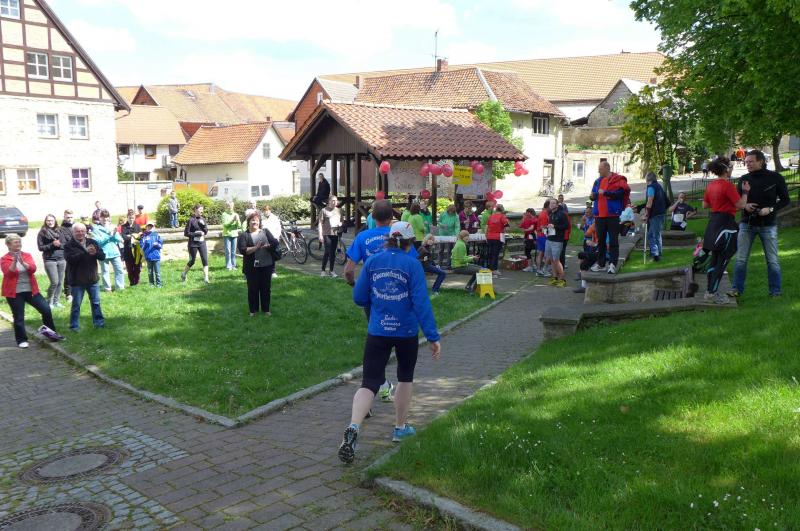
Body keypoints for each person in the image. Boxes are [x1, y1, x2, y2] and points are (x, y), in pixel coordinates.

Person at [339, 221, 441, 463]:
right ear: (409, 242)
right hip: (406, 332)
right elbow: (421, 303)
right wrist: (432, 336)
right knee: (405, 378)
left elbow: (359, 297)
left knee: (369, 381)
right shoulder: (413, 265)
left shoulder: (373, 262)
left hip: (378, 330)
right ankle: (400, 428)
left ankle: (354, 426)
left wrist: (377, 303)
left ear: (389, 239)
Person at [343, 199, 414, 403]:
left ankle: (374, 387)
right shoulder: (399, 236)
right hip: (399, 299)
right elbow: (413, 264)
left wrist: (355, 285)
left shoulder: (362, 237)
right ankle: (387, 386)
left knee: (376, 345)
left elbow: (348, 270)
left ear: (372, 217)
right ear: (392, 217)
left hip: (373, 297)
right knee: (401, 348)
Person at [730, 149, 790, 298]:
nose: (748, 164)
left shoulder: (775, 178)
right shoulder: (744, 179)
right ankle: (736, 289)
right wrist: (745, 206)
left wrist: (770, 209)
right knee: (741, 259)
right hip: (747, 224)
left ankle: (775, 292)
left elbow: (785, 200)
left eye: (751, 161)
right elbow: (738, 202)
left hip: (768, 225)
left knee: (772, 260)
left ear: (761, 161)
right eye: (746, 162)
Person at [702, 157, 750, 304]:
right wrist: (745, 192)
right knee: (722, 262)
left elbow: (705, 205)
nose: (732, 169)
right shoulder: (727, 186)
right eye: (731, 166)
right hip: (726, 226)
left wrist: (722, 203)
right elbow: (741, 205)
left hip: (713, 224)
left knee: (714, 259)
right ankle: (712, 294)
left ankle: (709, 291)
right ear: (726, 169)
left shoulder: (711, 185)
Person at [2, 234, 63, 348]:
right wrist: (14, 261)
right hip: (14, 293)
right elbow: (9, 273)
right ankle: (21, 340)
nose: (18, 244)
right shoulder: (5, 259)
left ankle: (50, 334)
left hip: (31, 290)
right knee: (19, 317)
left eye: (19, 242)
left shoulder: (26, 255)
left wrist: (23, 262)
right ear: (8, 245)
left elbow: (33, 269)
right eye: (15, 242)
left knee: (46, 309)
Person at [589, 161, 630, 274]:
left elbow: (620, 194)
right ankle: (601, 264)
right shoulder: (597, 181)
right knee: (601, 241)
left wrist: (606, 193)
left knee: (613, 241)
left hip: (612, 215)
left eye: (600, 169)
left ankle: (612, 264)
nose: (599, 171)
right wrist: (592, 196)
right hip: (599, 216)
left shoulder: (617, 179)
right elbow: (594, 195)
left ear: (607, 168)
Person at [64, 223, 106, 330]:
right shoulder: (69, 245)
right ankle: (74, 326)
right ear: (73, 232)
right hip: (77, 281)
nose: (80, 233)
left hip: (92, 279)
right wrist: (85, 252)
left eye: (82, 231)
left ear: (86, 232)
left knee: (96, 303)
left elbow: (102, 256)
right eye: (77, 231)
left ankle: (99, 323)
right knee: (76, 305)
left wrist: (95, 253)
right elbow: (70, 260)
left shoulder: (92, 242)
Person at [238, 212, 280, 316]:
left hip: (267, 265)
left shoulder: (265, 232)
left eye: (257, 220)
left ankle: (266, 310)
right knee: (253, 289)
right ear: (248, 222)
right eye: (252, 220)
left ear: (259, 222)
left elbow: (275, 243)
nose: (254, 222)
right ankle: (253, 310)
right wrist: (256, 247)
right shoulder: (244, 235)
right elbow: (243, 250)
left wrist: (268, 246)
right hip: (251, 267)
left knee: (266, 288)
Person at [37, 214, 67, 308]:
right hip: (49, 260)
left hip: (61, 259)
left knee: (60, 282)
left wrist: (59, 245)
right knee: (54, 282)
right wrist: (52, 245)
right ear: (45, 221)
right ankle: (49, 301)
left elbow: (65, 244)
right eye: (48, 220)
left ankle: (56, 301)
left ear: (55, 221)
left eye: (52, 220)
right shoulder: (42, 232)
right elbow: (40, 247)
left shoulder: (60, 230)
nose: (50, 222)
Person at [92, 210, 125, 292]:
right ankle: (107, 288)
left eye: (107, 218)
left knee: (119, 270)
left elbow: (118, 239)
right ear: (100, 218)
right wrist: (108, 236)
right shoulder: (96, 229)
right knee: (105, 271)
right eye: (103, 218)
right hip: (103, 253)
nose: (105, 220)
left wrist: (115, 235)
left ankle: (120, 287)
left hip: (114, 252)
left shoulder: (113, 226)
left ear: (109, 218)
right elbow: (97, 241)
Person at [641, 172, 668, 262]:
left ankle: (656, 254)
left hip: (655, 214)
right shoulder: (658, 186)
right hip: (660, 213)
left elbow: (650, 201)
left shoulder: (651, 187)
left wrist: (646, 214)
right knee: (655, 234)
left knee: (653, 235)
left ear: (648, 179)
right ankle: (656, 253)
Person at [182, 204, 209, 283]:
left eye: (202, 209)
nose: (202, 211)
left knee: (205, 259)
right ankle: (184, 274)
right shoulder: (191, 220)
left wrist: (203, 226)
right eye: (200, 209)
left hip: (202, 243)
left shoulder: (203, 219)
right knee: (192, 261)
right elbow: (186, 233)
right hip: (193, 244)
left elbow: (206, 232)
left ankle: (206, 278)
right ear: (196, 210)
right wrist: (196, 234)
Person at [545, 199, 569, 287]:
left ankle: (562, 280)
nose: (551, 205)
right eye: (550, 203)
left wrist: (555, 226)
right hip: (549, 239)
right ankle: (554, 278)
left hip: (557, 241)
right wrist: (547, 229)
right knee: (551, 259)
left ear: (557, 205)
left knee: (556, 260)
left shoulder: (562, 214)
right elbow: (551, 227)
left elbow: (566, 226)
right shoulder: (550, 214)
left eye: (553, 203)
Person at [319, 195, 342, 277]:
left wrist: (340, 224)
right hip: (326, 234)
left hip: (335, 234)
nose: (334, 202)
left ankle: (331, 271)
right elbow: (320, 223)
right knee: (327, 252)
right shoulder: (324, 210)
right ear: (329, 201)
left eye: (336, 200)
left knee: (333, 253)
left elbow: (341, 221)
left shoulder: (339, 210)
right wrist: (320, 235)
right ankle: (323, 270)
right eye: (333, 200)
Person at [120, 210, 142, 286]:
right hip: (128, 250)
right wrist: (134, 235)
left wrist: (131, 235)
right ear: (127, 217)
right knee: (129, 268)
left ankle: (137, 281)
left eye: (133, 218)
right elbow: (124, 237)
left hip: (136, 250)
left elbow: (140, 237)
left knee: (137, 267)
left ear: (134, 217)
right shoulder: (123, 226)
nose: (131, 219)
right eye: (130, 218)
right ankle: (132, 282)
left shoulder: (137, 226)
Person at [485, 204, 509, 276]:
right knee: (495, 254)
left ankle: (489, 268)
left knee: (490, 253)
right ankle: (494, 269)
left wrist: (486, 235)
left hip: (489, 237)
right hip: (498, 237)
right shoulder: (502, 217)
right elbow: (507, 227)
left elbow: (486, 227)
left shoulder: (491, 216)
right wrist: (504, 231)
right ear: (502, 210)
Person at [140, 222, 163, 288]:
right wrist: (145, 245)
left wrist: (157, 245)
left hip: (156, 256)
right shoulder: (144, 236)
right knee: (150, 272)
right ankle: (151, 284)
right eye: (148, 226)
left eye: (151, 226)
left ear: (153, 227)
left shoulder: (157, 235)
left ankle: (159, 284)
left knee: (157, 272)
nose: (149, 228)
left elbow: (161, 245)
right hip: (148, 256)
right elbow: (142, 245)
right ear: (146, 227)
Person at [262, 204, 282, 279]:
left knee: (272, 256)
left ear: (270, 210)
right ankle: (265, 271)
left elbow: (278, 229)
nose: (266, 212)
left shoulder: (274, 218)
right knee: (264, 255)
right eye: (264, 210)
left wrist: (276, 238)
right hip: (264, 240)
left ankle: (273, 271)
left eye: (267, 210)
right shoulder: (261, 218)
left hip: (273, 240)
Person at [437, 203, 460, 268]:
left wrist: (457, 234)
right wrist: (442, 225)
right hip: (442, 233)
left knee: (450, 250)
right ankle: (439, 264)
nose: (451, 213)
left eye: (452, 212)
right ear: (448, 210)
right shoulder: (443, 214)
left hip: (451, 234)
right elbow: (438, 221)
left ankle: (449, 265)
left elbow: (457, 226)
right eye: (450, 212)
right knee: (441, 250)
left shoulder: (456, 216)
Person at [221, 201, 241, 270]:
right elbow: (225, 225)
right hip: (227, 235)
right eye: (229, 206)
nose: (230, 207)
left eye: (231, 206)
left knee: (233, 251)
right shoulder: (224, 214)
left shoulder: (236, 214)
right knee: (228, 251)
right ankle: (228, 266)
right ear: (226, 206)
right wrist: (232, 220)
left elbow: (239, 226)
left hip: (234, 234)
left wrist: (237, 220)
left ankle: (233, 265)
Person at [60, 210, 75, 302]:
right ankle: (68, 293)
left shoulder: (76, 226)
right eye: (67, 217)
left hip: (78, 253)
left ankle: (76, 291)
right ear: (64, 217)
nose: (69, 219)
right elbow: (63, 243)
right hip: (68, 254)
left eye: (71, 217)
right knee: (69, 274)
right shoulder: (61, 229)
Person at [535, 201, 551, 276]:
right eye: (551, 205)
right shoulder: (544, 214)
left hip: (542, 235)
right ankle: (540, 270)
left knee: (541, 253)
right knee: (542, 253)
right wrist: (550, 226)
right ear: (548, 206)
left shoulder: (544, 213)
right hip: (543, 235)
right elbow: (542, 227)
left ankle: (539, 269)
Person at [520, 208, 538, 272]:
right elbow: (521, 226)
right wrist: (523, 218)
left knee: (528, 251)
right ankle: (533, 265)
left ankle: (530, 266)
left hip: (531, 237)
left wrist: (525, 230)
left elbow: (532, 228)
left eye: (526, 213)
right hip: (529, 237)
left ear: (529, 213)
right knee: (528, 251)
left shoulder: (533, 219)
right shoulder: (528, 219)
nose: (526, 214)